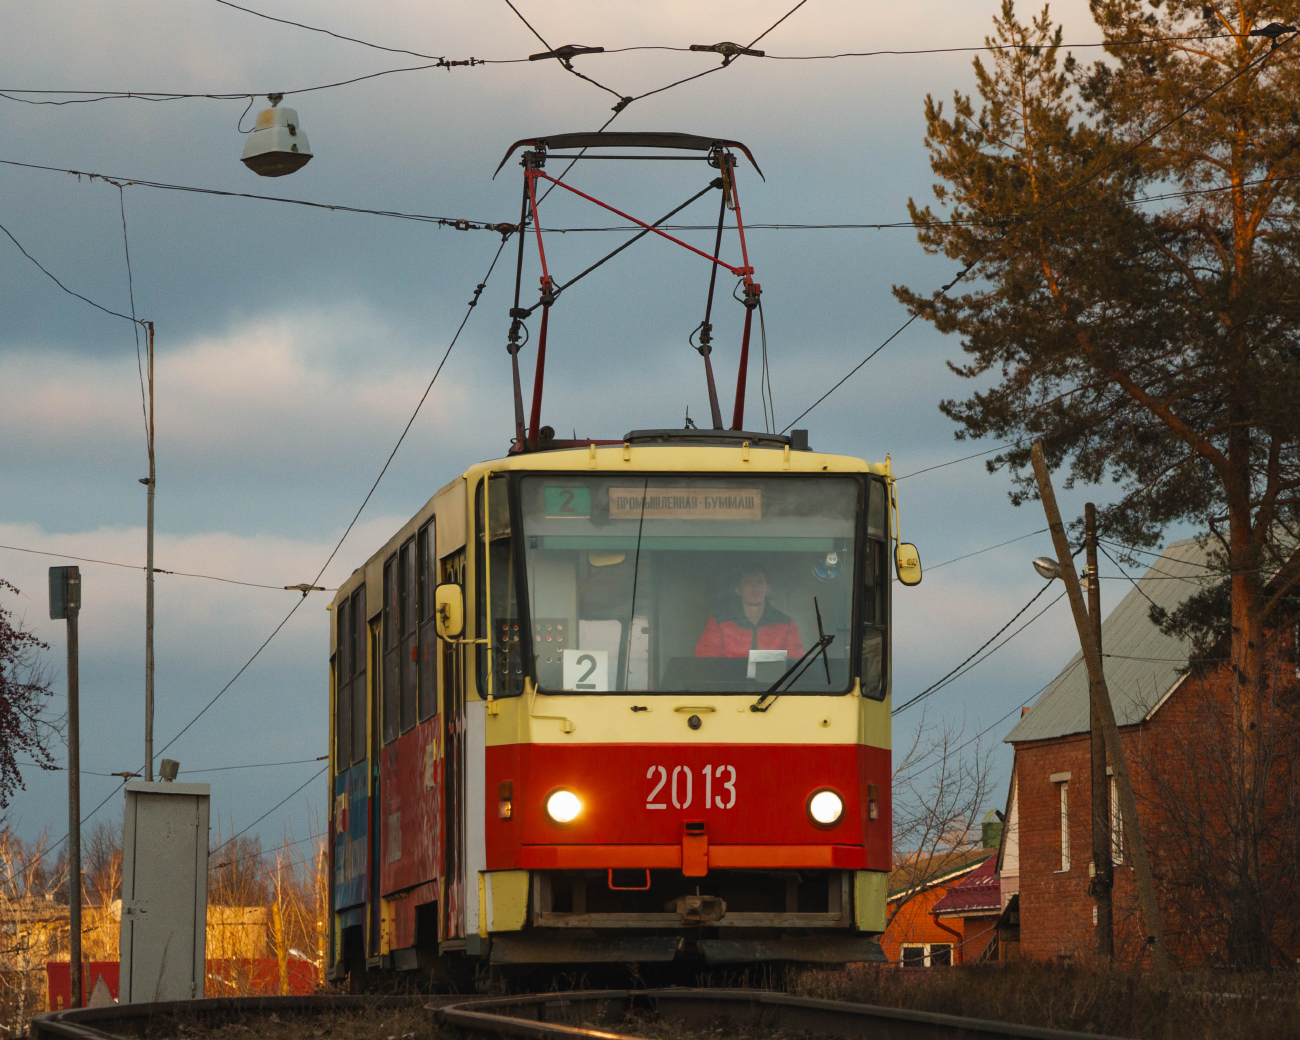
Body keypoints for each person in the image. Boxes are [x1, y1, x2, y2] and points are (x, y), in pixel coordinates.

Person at [695, 565, 804, 658]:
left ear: (768, 589)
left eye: (760, 583)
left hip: (775, 683)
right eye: (748, 583)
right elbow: (706, 665)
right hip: (731, 682)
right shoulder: (718, 623)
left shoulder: (786, 624)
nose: (754, 587)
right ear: (738, 589)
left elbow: (796, 667)